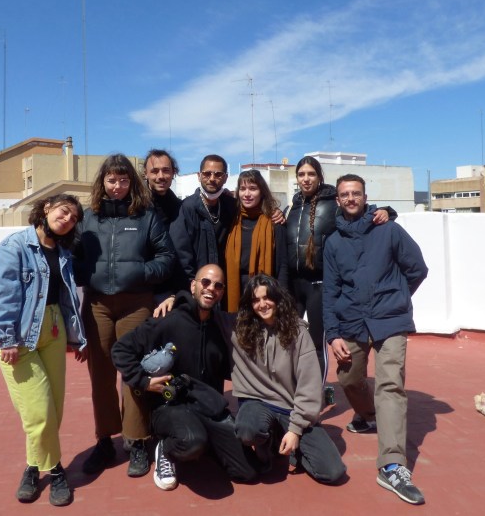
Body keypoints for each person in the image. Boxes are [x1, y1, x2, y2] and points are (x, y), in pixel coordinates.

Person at [323, 174, 428, 505]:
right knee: (348, 378)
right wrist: (333, 334)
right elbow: (330, 292)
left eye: (356, 193)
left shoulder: (389, 229)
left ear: (365, 197)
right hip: (352, 320)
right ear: (337, 200)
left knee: (390, 386)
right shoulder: (333, 242)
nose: (351, 198)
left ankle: (392, 465)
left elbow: (418, 268)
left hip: (389, 319)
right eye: (345, 194)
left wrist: (397, 296)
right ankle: (367, 415)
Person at [111, 264, 259, 491]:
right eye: (205, 282)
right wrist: (144, 381)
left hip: (208, 406)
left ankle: (208, 441)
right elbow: (121, 349)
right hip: (171, 406)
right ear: (193, 286)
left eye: (218, 286)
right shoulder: (168, 319)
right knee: (192, 441)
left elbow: (256, 318)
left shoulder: (220, 325)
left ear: (222, 292)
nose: (211, 289)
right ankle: (165, 448)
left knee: (248, 470)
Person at [74, 154, 175, 478]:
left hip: (136, 304)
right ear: (102, 182)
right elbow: (72, 256)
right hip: (98, 306)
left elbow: (166, 257)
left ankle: (137, 441)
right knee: (101, 376)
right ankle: (105, 440)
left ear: (132, 182)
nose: (117, 186)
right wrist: (87, 275)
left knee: (135, 372)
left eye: (123, 180)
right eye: (111, 180)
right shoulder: (88, 218)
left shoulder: (146, 216)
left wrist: (141, 274)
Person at [0, 194, 87, 507]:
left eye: (73, 219)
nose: (67, 220)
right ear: (46, 207)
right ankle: (55, 470)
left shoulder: (63, 252)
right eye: (64, 212)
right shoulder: (14, 246)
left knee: (54, 409)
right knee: (38, 412)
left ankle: (32, 466)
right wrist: (6, 339)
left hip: (54, 330)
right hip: (21, 336)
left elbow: (67, 298)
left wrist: (76, 337)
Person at [285, 156, 397, 390]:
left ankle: (316, 393)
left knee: (317, 343)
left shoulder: (333, 205)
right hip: (294, 286)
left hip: (319, 284)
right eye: (301, 174)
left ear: (319, 177)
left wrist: (386, 211)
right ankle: (293, 389)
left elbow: (361, 212)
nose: (306, 179)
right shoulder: (291, 208)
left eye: (311, 174)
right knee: (289, 341)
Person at [230, 274, 346, 484]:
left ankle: (293, 447)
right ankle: (269, 445)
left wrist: (295, 430)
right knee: (248, 429)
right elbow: (204, 312)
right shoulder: (241, 330)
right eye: (256, 300)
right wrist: (176, 298)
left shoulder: (298, 333)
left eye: (267, 297)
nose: (262, 304)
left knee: (333, 472)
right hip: (258, 403)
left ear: (277, 298)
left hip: (291, 408)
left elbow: (309, 385)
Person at [223, 169, 288, 312]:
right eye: (242, 189)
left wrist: (282, 299)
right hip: (234, 290)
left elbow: (282, 265)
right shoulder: (231, 219)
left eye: (253, 188)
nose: (247, 194)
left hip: (265, 293)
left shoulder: (274, 222)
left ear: (262, 192)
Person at [168, 154, 237, 283]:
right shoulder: (186, 208)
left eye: (218, 174)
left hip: (224, 284)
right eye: (207, 174)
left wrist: (272, 211)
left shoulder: (232, 206)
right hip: (197, 285)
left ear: (225, 178)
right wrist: (192, 283)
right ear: (199, 176)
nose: (212, 179)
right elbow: (181, 252)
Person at [143, 148, 185, 299]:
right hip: (140, 290)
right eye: (154, 171)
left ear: (174, 173)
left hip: (172, 290)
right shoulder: (135, 208)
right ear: (146, 174)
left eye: (166, 170)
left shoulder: (182, 209)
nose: (161, 176)